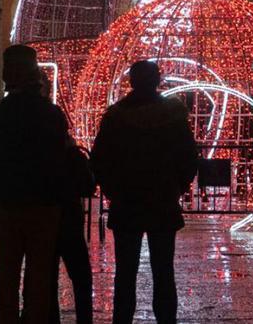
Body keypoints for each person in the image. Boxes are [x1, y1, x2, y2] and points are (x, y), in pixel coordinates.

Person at [91, 60, 197, 324]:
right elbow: (188, 158)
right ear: (157, 80)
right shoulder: (173, 115)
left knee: (125, 272)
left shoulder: (116, 117)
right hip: (162, 200)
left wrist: (113, 190)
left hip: (127, 202)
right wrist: (177, 187)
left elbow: (100, 159)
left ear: (131, 81)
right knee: (164, 271)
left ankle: (122, 319)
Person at [0, 46, 69, 324]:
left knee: (6, 280)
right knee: (38, 280)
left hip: (5, 206)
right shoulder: (52, 115)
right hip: (43, 207)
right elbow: (59, 161)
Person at [50, 134, 95, 324]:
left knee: (47, 279)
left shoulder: (39, 150)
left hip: (45, 220)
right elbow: (88, 185)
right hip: (70, 220)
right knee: (81, 278)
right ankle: (84, 320)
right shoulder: (72, 155)